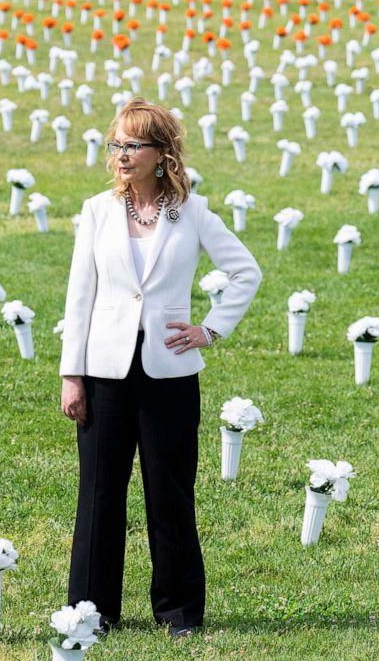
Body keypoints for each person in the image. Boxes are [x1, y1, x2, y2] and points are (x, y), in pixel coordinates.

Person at [59, 98, 262, 637]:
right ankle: (91, 611)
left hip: (169, 373)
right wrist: (71, 374)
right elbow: (80, 297)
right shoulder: (97, 211)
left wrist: (210, 328)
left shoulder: (191, 213)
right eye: (115, 145)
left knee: (170, 494)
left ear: (162, 153)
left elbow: (246, 271)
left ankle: (179, 614)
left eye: (132, 145)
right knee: (99, 494)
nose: (121, 155)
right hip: (104, 373)